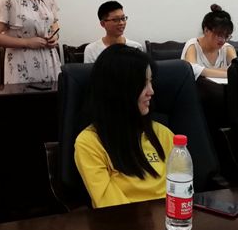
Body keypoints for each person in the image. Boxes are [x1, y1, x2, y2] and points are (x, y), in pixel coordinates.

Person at [74, 44, 174, 208]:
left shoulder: (163, 134)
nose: (151, 91)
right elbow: (111, 207)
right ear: (118, 90)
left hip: (171, 218)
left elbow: (181, 189)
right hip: (125, 221)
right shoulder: (90, 143)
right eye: (143, 84)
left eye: (150, 82)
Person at [181, 4, 237, 78]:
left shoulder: (227, 48)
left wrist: (204, 71)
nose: (223, 40)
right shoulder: (193, 45)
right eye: (219, 35)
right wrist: (226, 73)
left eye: (226, 36)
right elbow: (192, 69)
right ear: (206, 30)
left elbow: (237, 69)